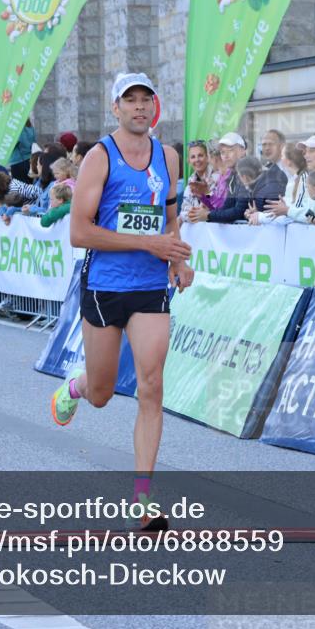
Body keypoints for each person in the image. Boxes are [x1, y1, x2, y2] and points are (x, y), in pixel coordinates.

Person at [52, 72, 193, 531]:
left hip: (150, 288)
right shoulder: (99, 158)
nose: (138, 107)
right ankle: (76, 387)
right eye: (128, 100)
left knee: (152, 386)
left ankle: (142, 499)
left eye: (145, 99)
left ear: (155, 107)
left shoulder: (168, 157)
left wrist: (175, 256)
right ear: (115, 108)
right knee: (102, 393)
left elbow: (169, 216)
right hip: (104, 287)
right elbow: (79, 232)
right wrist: (146, 244)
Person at [187, 132, 248, 224]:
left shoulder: (228, 176)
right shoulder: (223, 178)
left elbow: (220, 207)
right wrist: (204, 195)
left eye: (206, 156)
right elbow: (216, 205)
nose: (208, 161)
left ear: (213, 157)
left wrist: (207, 213)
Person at [256, 144, 315, 225]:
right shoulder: (292, 181)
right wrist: (257, 214)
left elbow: (291, 215)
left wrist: (260, 217)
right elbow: (284, 212)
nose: (281, 159)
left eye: (282, 156)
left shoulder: (304, 179)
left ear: (288, 161)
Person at [234, 156, 283, 224]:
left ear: (244, 177)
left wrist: (258, 216)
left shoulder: (267, 188)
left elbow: (278, 217)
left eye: (239, 176)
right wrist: (255, 214)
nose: (240, 180)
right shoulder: (260, 187)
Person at [179, 140, 219, 221]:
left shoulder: (218, 178)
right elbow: (184, 211)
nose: (197, 160)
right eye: (193, 157)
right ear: (188, 161)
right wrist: (193, 215)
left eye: (200, 155)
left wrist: (207, 194)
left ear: (207, 157)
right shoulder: (191, 182)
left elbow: (216, 205)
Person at [9, 119, 36, 183]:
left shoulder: (17, 129)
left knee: (20, 187)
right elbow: (34, 142)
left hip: (18, 161)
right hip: (30, 159)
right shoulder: (31, 128)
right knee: (30, 184)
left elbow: (15, 143)